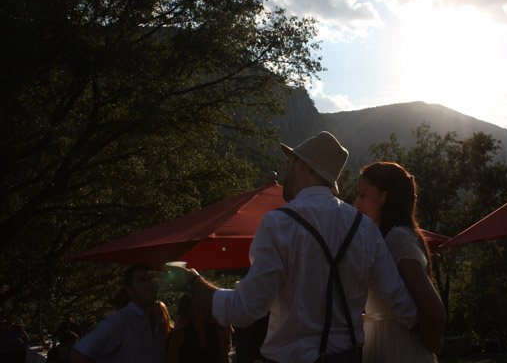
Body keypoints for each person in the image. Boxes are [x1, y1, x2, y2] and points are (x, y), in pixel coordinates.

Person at [164, 131, 418, 363]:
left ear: (303, 165)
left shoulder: (279, 223)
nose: (287, 168)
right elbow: (403, 305)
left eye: (291, 161)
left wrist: (192, 282)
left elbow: (244, 310)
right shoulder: (365, 228)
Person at [355, 162, 446, 362]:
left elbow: (435, 313)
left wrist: (429, 344)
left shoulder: (396, 238)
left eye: (362, 195)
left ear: (384, 197)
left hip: (400, 350)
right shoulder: (386, 238)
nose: (356, 204)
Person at [70, 264, 169, 363]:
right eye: (141, 280)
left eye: (152, 279)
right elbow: (78, 355)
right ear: (129, 290)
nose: (149, 284)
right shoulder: (119, 321)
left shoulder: (160, 321)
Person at [166, 294, 232, 363]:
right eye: (198, 304)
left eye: (205, 304)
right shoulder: (180, 332)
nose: (203, 307)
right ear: (190, 308)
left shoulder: (216, 329)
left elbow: (223, 357)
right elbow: (170, 359)